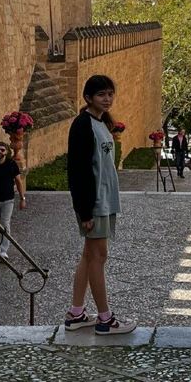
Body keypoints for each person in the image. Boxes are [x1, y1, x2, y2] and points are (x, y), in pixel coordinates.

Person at [66, 74, 135, 335]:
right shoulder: (82, 124)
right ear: (88, 98)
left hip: (104, 200)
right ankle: (105, 319)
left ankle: (76, 313)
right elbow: (78, 171)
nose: (107, 99)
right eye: (101, 94)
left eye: (109, 94)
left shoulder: (102, 122)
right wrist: (84, 210)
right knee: (98, 256)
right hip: (94, 203)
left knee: (89, 255)